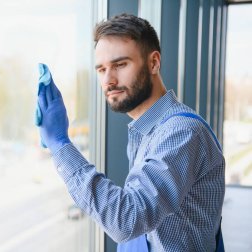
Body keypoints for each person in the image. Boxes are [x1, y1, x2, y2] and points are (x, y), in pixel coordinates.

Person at [36, 13, 225, 252]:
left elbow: (127, 220)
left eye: (120, 65)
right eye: (101, 69)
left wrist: (61, 145)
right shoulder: (146, 131)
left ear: (154, 63)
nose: (108, 80)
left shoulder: (181, 133)